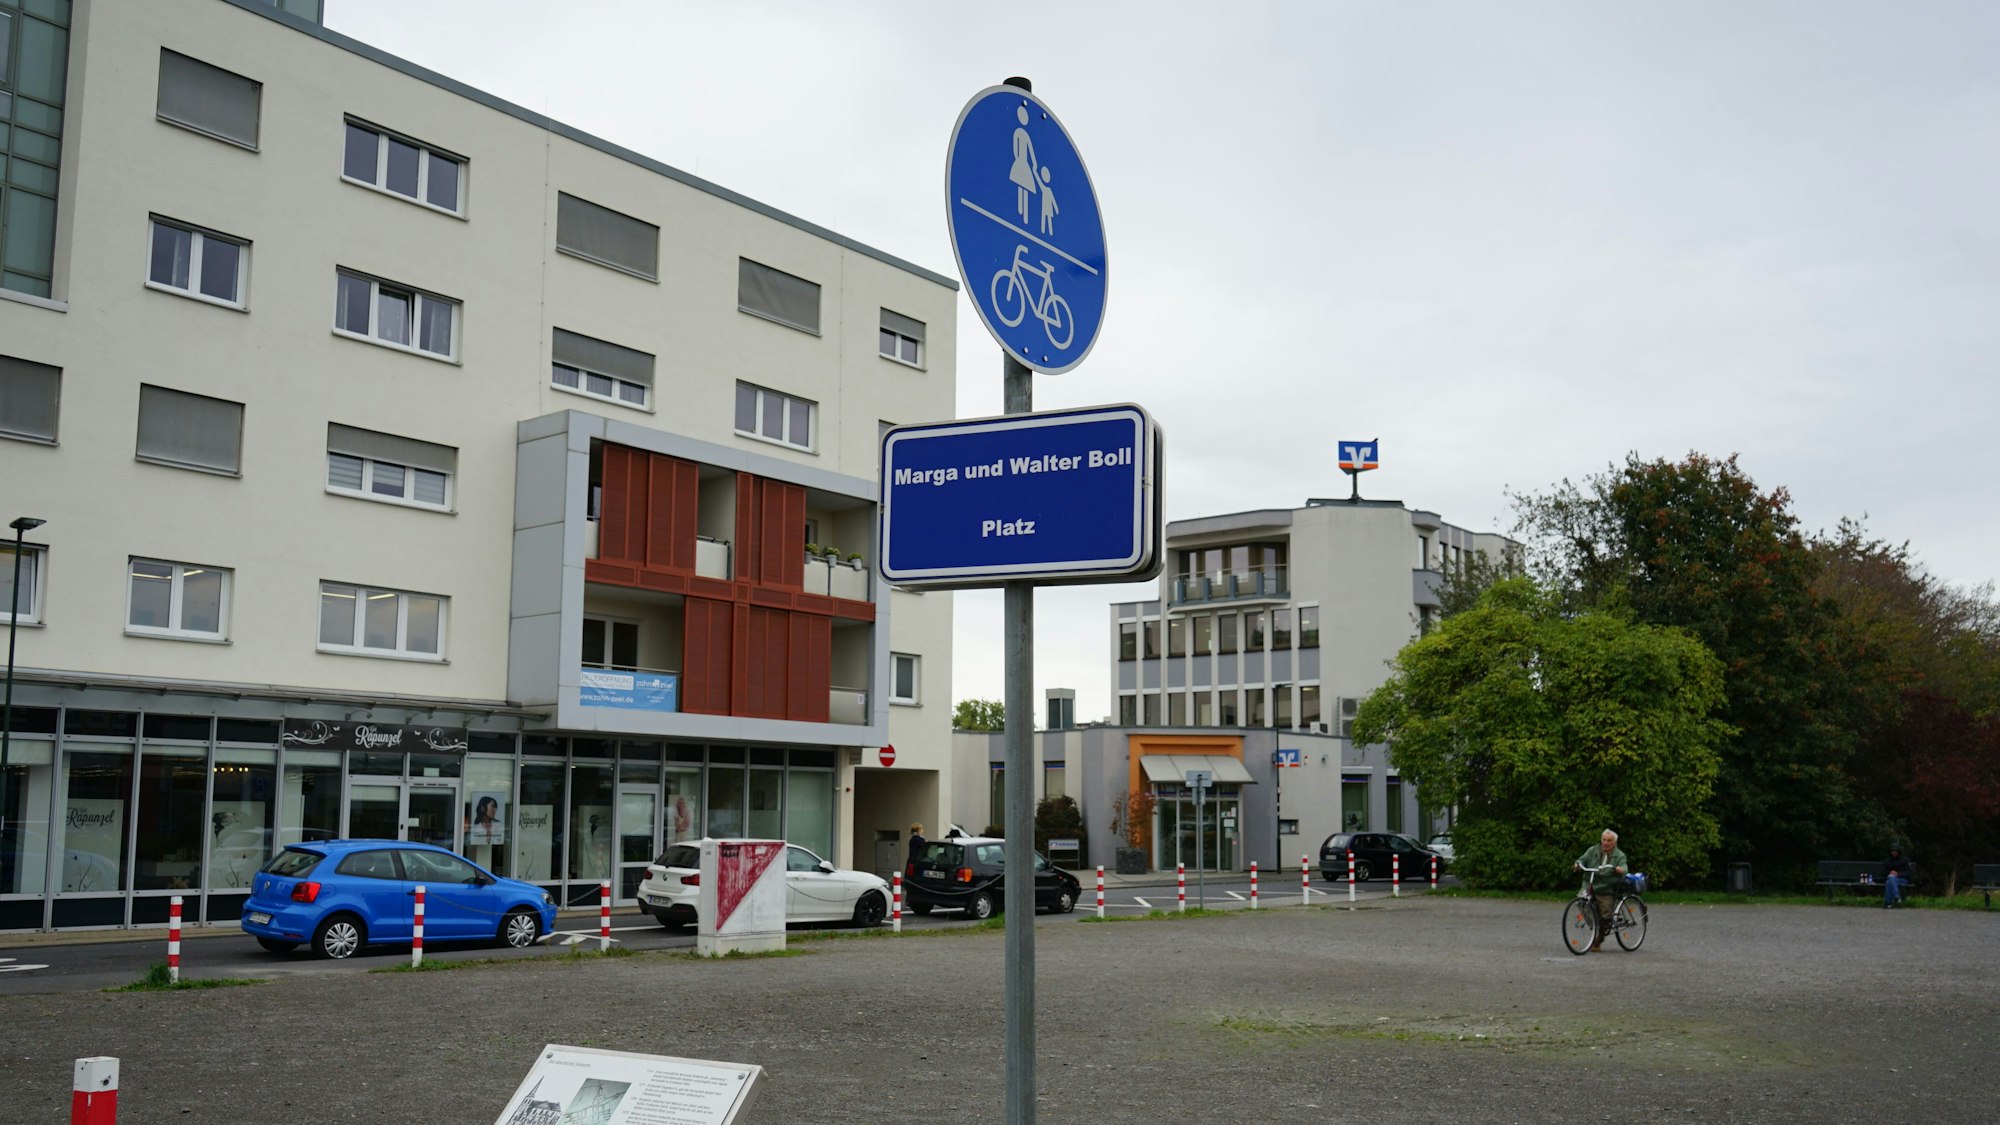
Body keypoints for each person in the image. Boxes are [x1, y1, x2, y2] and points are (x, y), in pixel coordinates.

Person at [1574, 828, 1628, 953]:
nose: (1605, 843)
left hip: (1607, 888)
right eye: (1604, 840)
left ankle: (1599, 937)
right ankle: (1595, 929)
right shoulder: (1593, 850)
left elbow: (1624, 867)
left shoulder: (1619, 855)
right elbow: (1582, 859)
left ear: (1614, 843)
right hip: (1590, 884)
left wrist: (1620, 869)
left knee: (1605, 916)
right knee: (1581, 902)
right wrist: (1578, 864)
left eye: (1609, 840)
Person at [1883, 844, 1913, 908]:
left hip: (1902, 879)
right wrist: (1890, 872)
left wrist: (1898, 874)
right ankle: (1896, 897)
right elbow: (1883, 872)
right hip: (1890, 878)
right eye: (1892, 851)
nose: (1894, 852)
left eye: (1896, 851)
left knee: (1890, 880)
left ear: (1899, 851)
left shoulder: (1905, 860)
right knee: (1890, 880)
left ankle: (1888, 903)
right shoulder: (1887, 860)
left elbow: (1909, 872)